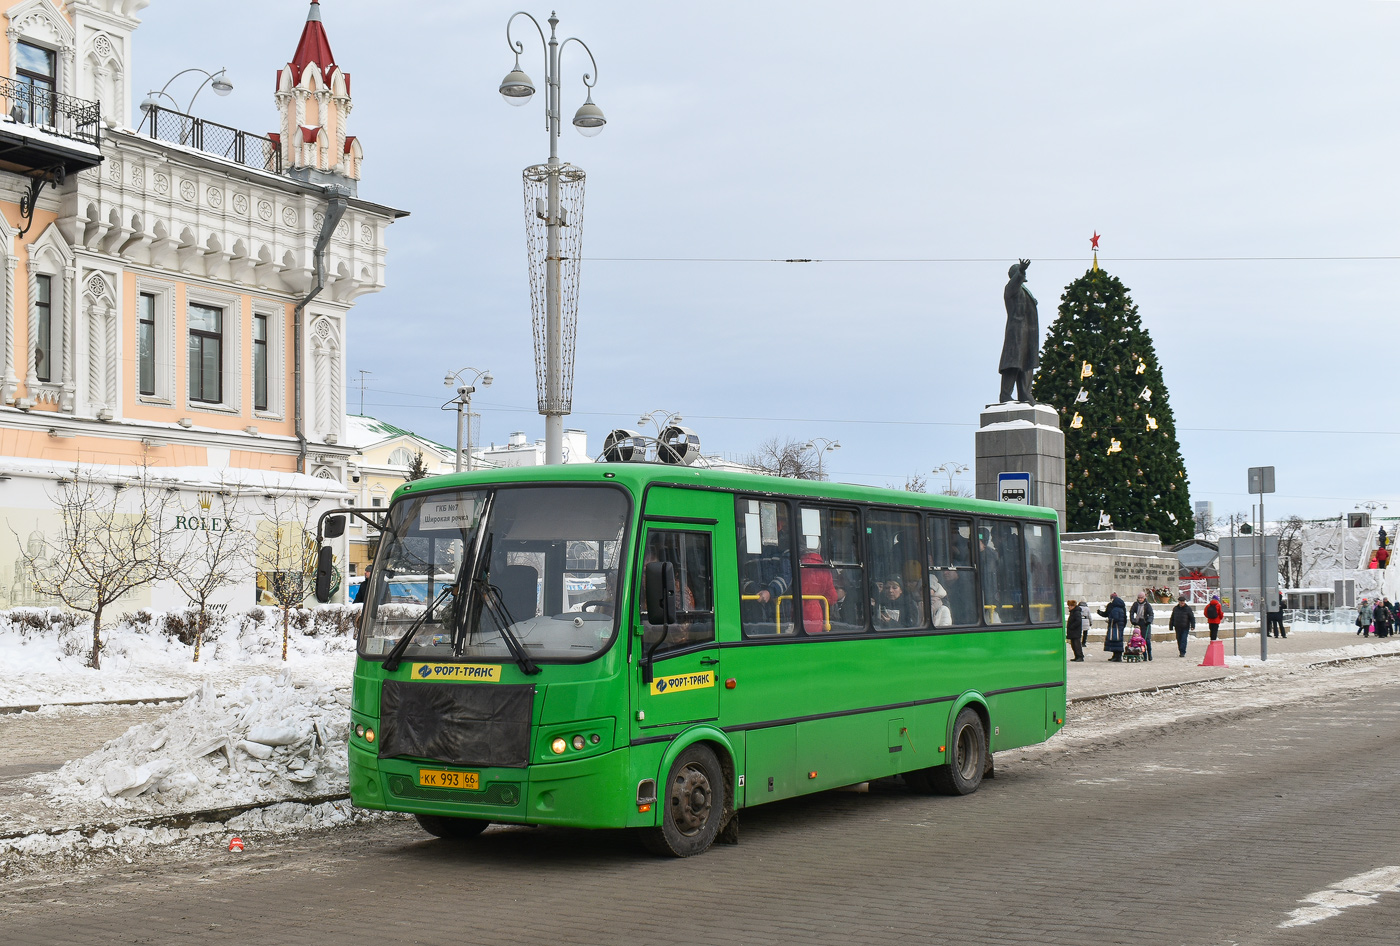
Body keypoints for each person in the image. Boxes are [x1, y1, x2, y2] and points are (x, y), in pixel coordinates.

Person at [1098, 592, 1127, 661]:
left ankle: (1117, 657)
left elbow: (1115, 618)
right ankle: (1116, 656)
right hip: (1119, 626)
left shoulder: (1115, 609)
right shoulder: (1121, 607)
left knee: (1116, 640)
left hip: (1116, 627)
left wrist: (1109, 620)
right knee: (1117, 641)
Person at [1130, 592, 1155, 661]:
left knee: (1146, 639)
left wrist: (1149, 621)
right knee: (1139, 639)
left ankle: (1149, 653)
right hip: (1138, 623)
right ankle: (1144, 655)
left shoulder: (1147, 605)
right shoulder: (1135, 604)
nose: (1140, 599)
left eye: (1141, 598)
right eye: (1139, 598)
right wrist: (1133, 620)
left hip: (1145, 623)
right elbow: (1131, 612)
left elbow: (1151, 614)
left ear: (1144, 598)